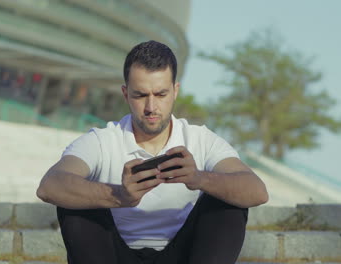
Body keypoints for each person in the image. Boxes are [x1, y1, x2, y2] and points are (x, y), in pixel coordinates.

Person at [37, 40, 268, 264]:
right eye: (140, 95)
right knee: (74, 200)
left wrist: (199, 178)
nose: (151, 107)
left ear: (175, 91)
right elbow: (50, 185)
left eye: (160, 95)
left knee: (227, 200)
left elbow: (257, 191)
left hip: (181, 256)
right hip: (113, 255)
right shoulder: (101, 141)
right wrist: (119, 196)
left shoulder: (201, 140)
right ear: (126, 94)